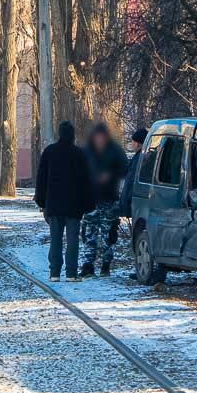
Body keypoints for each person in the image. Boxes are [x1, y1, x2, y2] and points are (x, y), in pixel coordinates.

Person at [35, 121, 94, 282]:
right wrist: (88, 204)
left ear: (59, 134)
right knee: (73, 239)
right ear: (72, 135)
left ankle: (54, 273)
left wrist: (41, 202)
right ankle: (71, 273)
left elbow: (41, 179)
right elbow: (86, 182)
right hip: (74, 206)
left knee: (55, 238)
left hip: (53, 205)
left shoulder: (49, 152)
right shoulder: (79, 154)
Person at [81, 122, 128, 278]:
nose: (99, 140)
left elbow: (124, 171)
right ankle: (88, 265)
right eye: (97, 137)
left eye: (102, 137)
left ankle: (106, 264)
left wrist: (110, 175)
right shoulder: (86, 152)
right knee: (89, 234)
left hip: (110, 199)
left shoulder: (115, 152)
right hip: (90, 201)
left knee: (108, 235)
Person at [111, 128, 149, 246]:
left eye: (133, 141)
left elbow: (131, 183)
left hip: (133, 202)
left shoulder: (140, 159)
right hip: (133, 201)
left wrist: (125, 202)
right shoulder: (139, 157)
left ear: (138, 143)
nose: (132, 144)